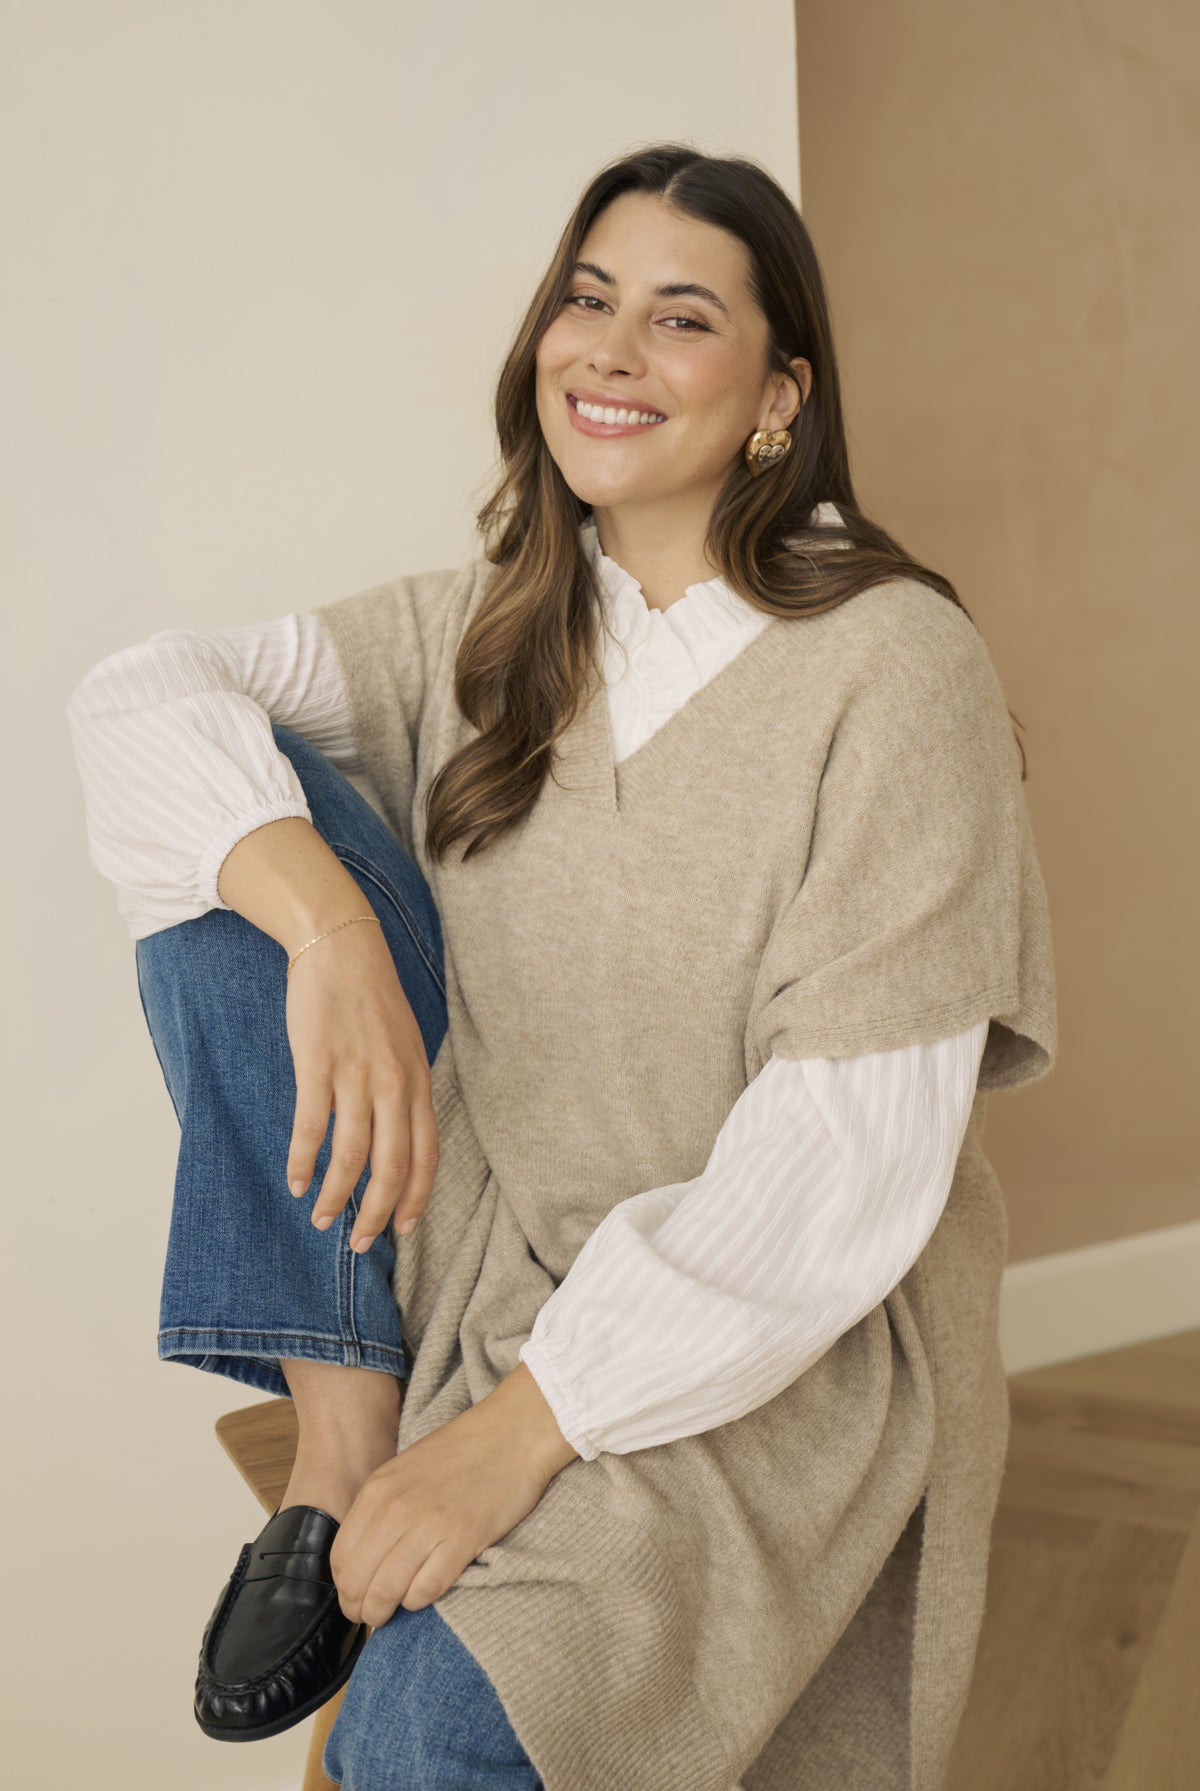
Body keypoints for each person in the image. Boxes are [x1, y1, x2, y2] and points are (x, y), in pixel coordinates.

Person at [66, 143, 1057, 1791]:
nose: (610, 349)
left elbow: (844, 1177)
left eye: (682, 318)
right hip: (479, 1249)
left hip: (769, 1333)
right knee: (226, 832)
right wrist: (331, 932)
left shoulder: (895, 671)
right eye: (589, 300)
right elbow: (133, 700)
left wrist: (516, 1437)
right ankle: (342, 1428)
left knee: (427, 1737)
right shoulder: (496, 627)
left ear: (779, 396)